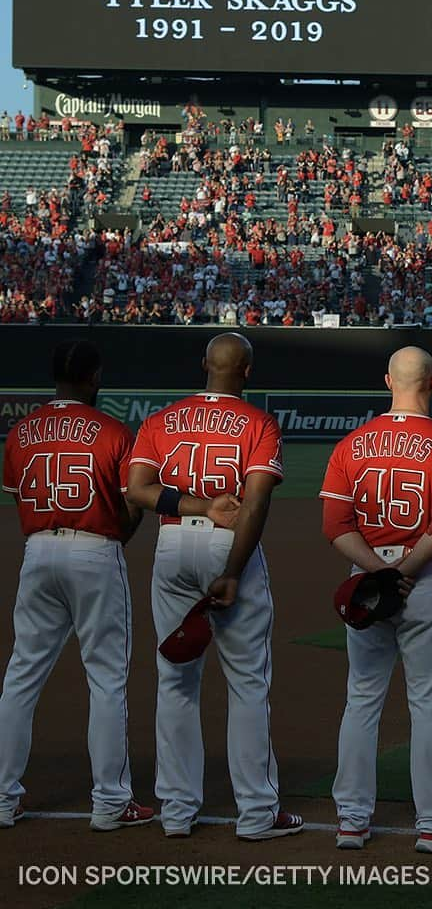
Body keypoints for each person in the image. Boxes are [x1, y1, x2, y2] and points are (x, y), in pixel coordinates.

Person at [126, 333, 302, 841]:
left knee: (175, 679)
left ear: (204, 363)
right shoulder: (258, 423)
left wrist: (195, 506)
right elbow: (257, 504)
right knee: (248, 683)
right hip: (229, 546)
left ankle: (177, 813)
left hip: (174, 545)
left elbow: (138, 490)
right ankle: (256, 815)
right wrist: (234, 569)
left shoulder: (161, 420)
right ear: (247, 370)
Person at [319, 346, 432, 854]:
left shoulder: (351, 444)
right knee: (428, 704)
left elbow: (334, 527)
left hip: (367, 577)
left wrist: (378, 574)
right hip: (423, 580)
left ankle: (351, 821)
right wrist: (401, 575)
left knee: (361, 699)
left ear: (388, 380)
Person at [0, 341, 153, 831]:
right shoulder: (112, 430)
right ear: (94, 378)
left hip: (38, 550)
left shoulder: (22, 430)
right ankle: (110, 802)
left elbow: (17, 493)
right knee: (106, 678)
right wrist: (119, 535)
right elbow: (135, 500)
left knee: (21, 676)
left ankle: (3, 799)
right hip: (93, 549)